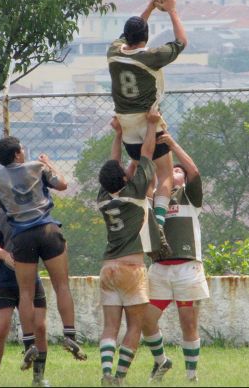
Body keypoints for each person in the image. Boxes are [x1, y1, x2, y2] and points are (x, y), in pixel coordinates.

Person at [0, 138, 86, 371]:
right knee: (62, 285)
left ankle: (29, 341)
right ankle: (70, 334)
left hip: (21, 237)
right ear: (17, 155)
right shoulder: (37, 167)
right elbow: (62, 185)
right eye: (21, 149)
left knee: (26, 293)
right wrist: (48, 163)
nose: (23, 151)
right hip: (48, 230)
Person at [107, 0, 188, 233]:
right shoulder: (150, 57)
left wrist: (150, 7)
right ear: (147, 35)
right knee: (164, 173)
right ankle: (159, 223)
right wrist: (171, 10)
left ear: (126, 35)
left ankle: (145, 216)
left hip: (127, 125)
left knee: (145, 175)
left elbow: (129, 33)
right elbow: (181, 42)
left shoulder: (112, 52)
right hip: (149, 120)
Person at [96, 110, 163, 386]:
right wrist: (150, 125)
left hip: (107, 269)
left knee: (110, 326)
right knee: (135, 326)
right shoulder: (135, 194)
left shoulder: (102, 198)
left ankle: (107, 371)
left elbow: (113, 165)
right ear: (124, 178)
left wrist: (118, 134)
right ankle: (121, 377)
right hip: (132, 268)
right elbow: (147, 154)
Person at [141, 131, 210, 384]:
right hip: (159, 267)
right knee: (146, 321)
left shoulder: (190, 198)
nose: (175, 173)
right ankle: (161, 361)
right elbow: (145, 173)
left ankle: (191, 376)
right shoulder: (154, 198)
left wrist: (171, 145)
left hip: (187, 267)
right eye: (172, 171)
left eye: (177, 171)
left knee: (188, 323)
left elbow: (194, 172)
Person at [0, 205, 50, 387]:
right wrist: (4, 255)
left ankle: (38, 378)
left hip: (29, 274)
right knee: (1, 327)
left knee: (39, 326)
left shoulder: (31, 206)